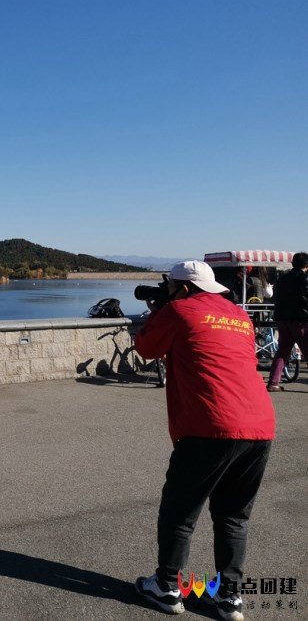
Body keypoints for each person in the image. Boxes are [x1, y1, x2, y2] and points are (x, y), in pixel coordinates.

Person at [133, 261, 275, 621]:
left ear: (181, 288)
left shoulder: (178, 310)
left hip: (210, 425)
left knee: (180, 512)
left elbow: (145, 347)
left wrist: (160, 311)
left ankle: (167, 587)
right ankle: (229, 598)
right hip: (259, 425)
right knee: (233, 517)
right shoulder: (239, 315)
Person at [266, 251, 308, 392]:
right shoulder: (305, 279)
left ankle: (273, 382)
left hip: (283, 319)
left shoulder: (283, 278)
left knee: (282, 351)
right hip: (301, 320)